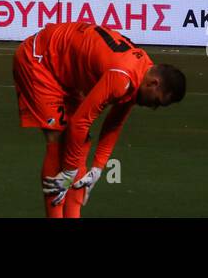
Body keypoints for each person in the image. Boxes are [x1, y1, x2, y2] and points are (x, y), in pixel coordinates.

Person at [12, 21, 186, 218]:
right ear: (154, 83)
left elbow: (115, 122)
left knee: (81, 142)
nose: (153, 107)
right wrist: (69, 171)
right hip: (41, 59)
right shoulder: (122, 78)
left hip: (66, 66)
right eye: (157, 101)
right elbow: (79, 121)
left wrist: (97, 167)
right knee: (58, 138)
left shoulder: (143, 70)